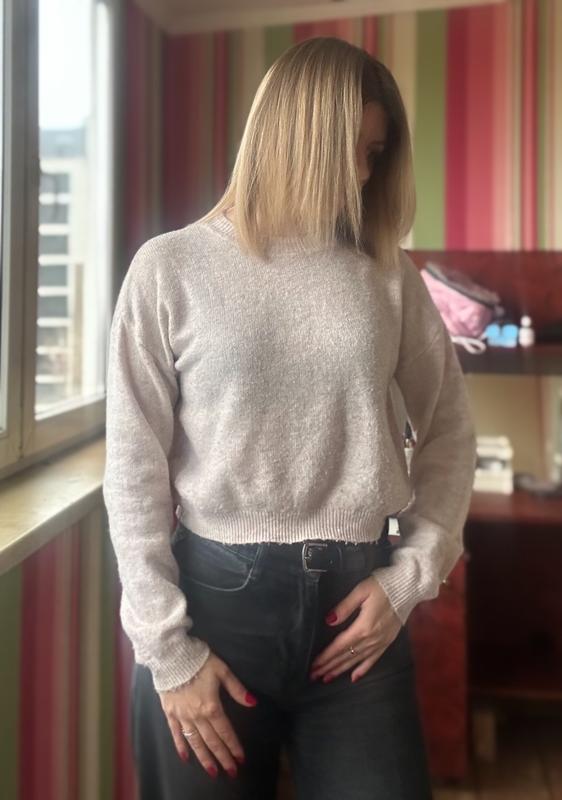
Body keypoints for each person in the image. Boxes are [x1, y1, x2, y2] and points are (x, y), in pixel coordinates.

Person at [103, 36, 477, 800]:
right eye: (357, 150)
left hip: (357, 620)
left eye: (377, 153)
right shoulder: (169, 267)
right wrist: (168, 653)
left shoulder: (386, 274)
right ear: (300, 137)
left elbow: (449, 428)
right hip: (212, 616)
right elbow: (133, 470)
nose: (367, 173)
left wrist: (411, 576)